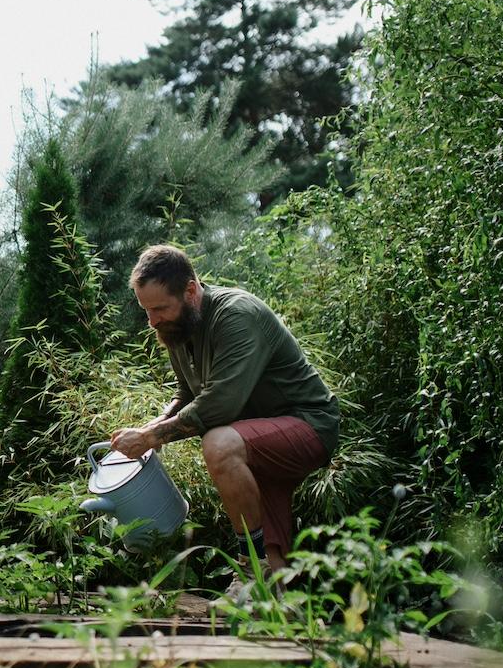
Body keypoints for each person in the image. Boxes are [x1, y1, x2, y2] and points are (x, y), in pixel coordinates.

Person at [109, 245, 338, 578]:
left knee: (218, 444)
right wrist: (156, 423)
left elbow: (220, 403)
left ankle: (248, 570)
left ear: (190, 290)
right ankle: (265, 590)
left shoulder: (236, 315)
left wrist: (150, 437)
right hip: (255, 433)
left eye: (159, 308)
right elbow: (187, 393)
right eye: (146, 310)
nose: (151, 321)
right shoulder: (178, 328)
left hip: (308, 425)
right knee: (274, 572)